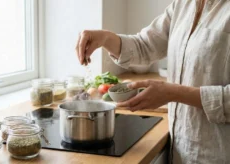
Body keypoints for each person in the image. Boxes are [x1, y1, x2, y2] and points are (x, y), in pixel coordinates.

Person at [75, 0, 230, 163]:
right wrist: (106, 38)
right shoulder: (183, 4)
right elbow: (145, 45)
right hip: (181, 151)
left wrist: (172, 93)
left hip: (219, 154)